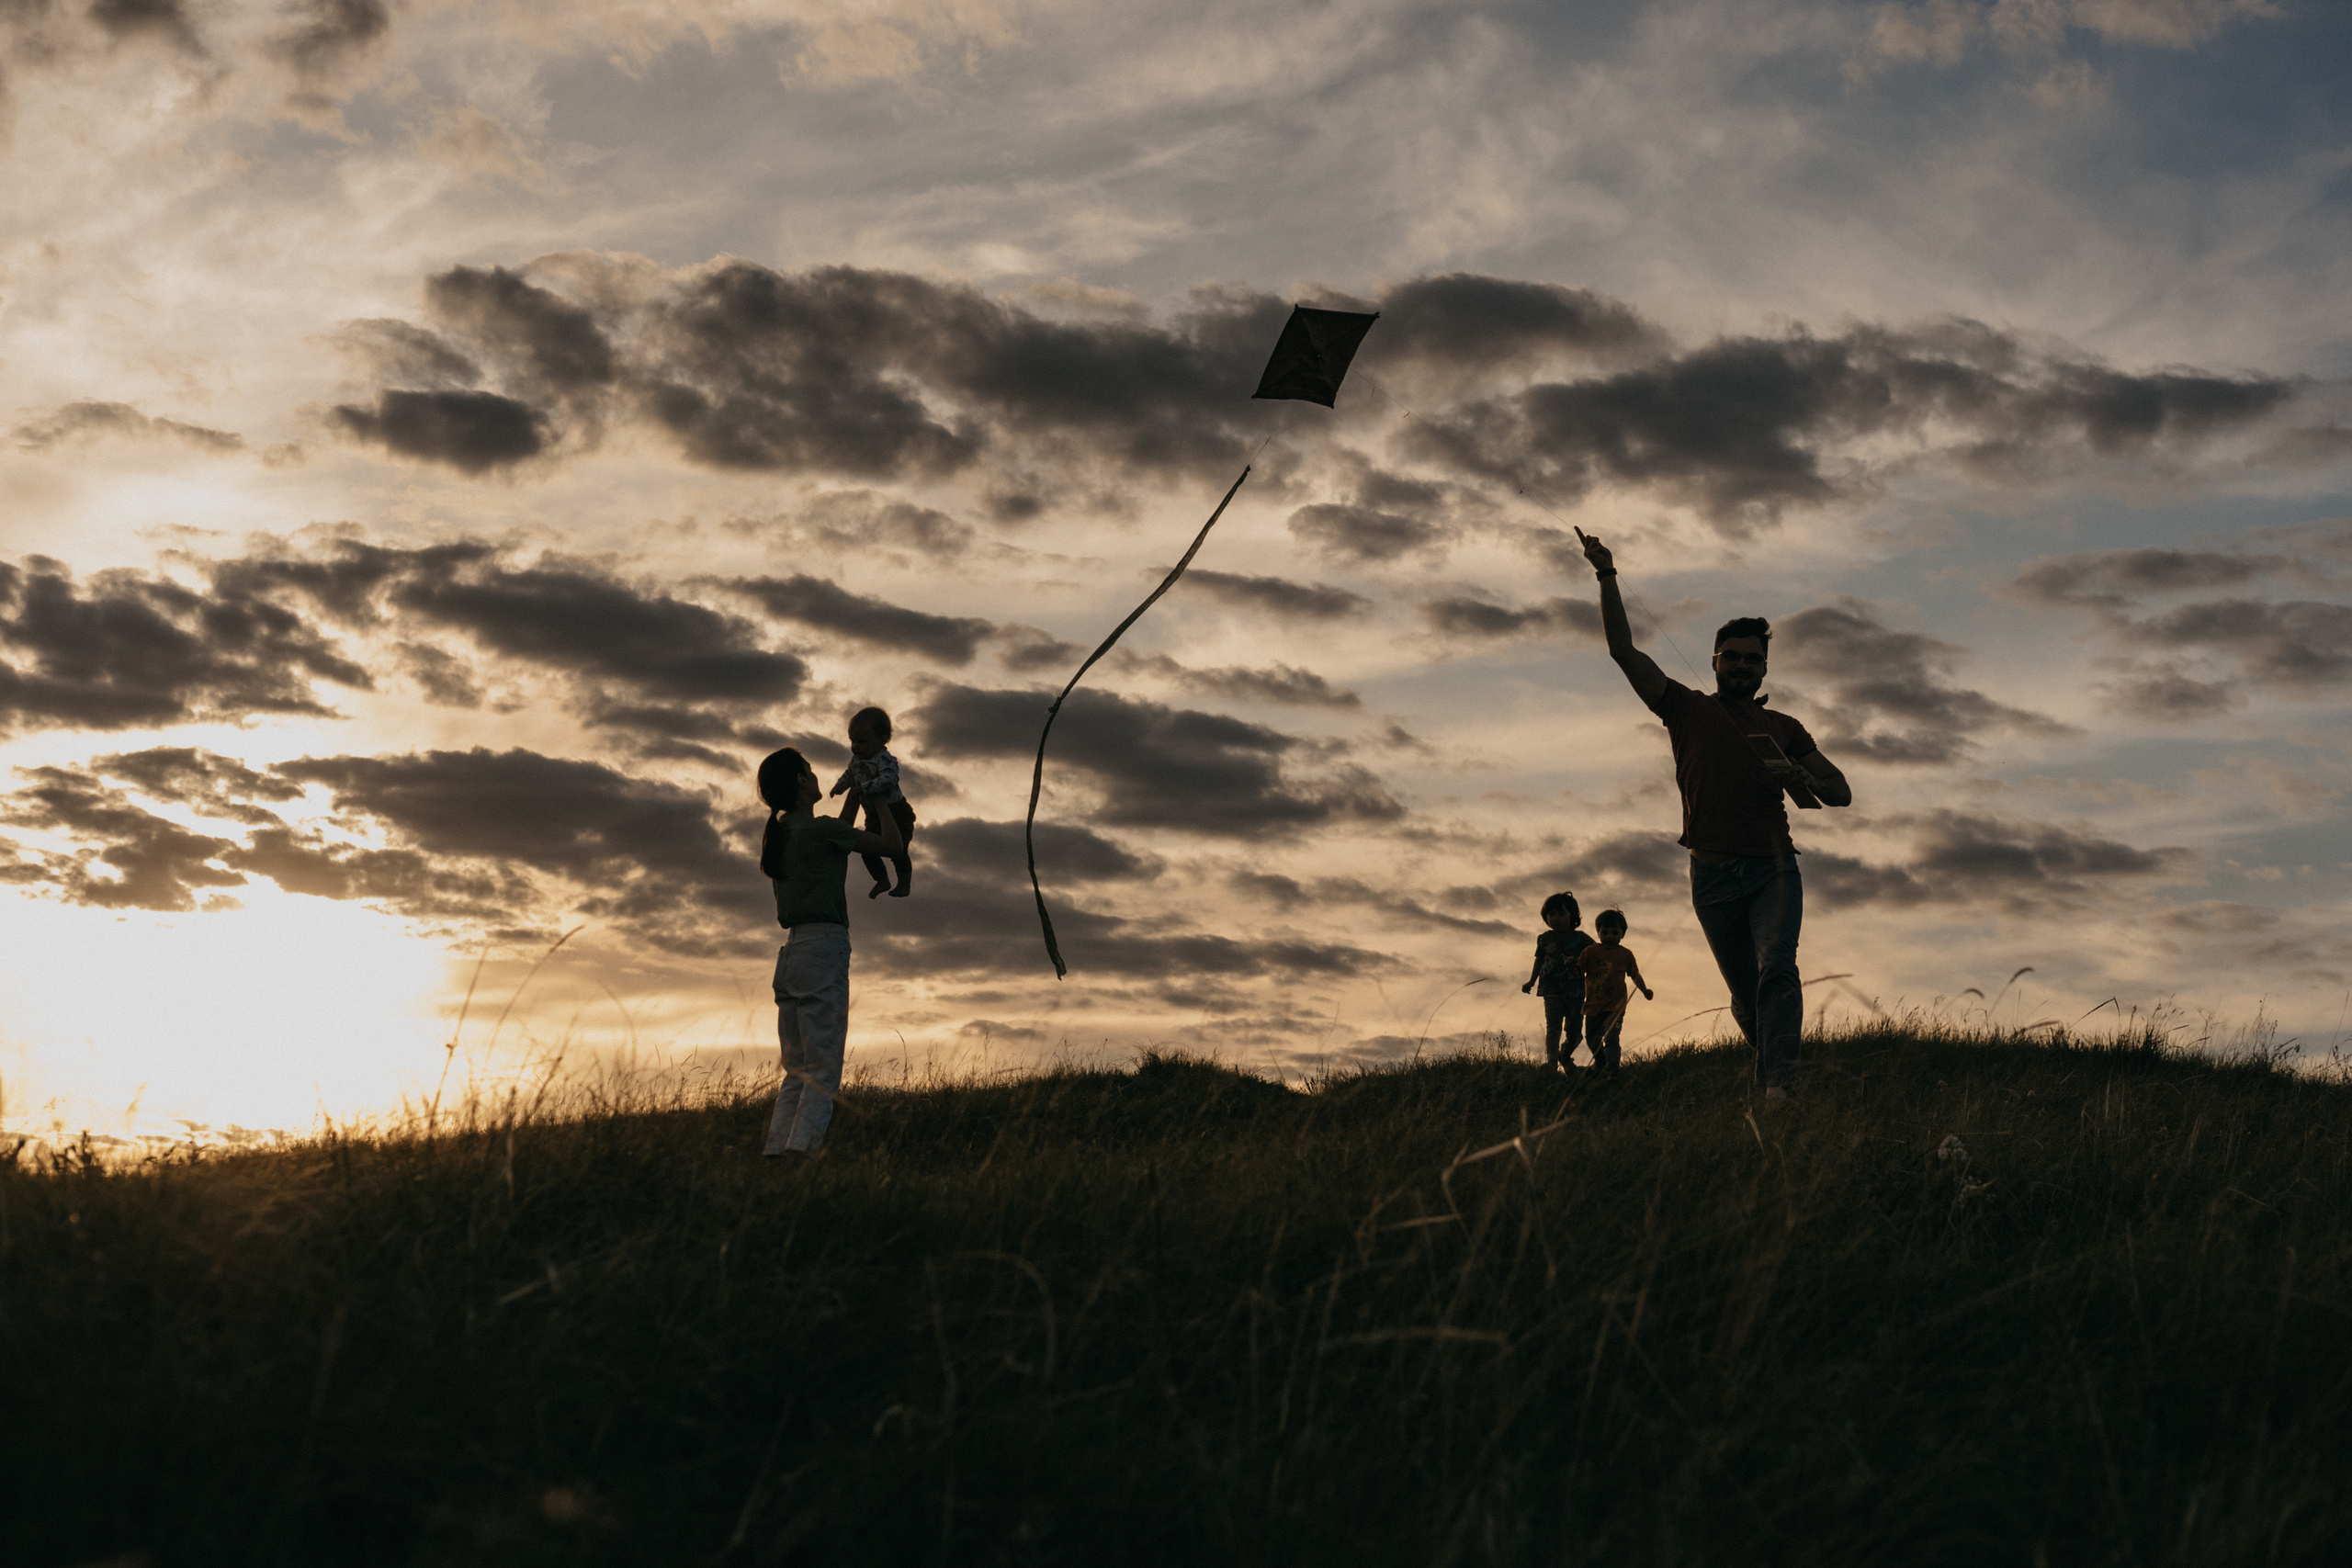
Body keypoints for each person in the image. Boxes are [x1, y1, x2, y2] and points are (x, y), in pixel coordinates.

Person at [1577, 528, 1851, 1102]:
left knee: (1778, 966)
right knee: (1746, 994)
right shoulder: (1684, 708)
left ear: (1765, 670)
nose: (1743, 665)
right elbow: (1623, 652)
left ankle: (1780, 1088)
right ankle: (1769, 1063)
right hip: (1711, 876)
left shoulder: (1786, 728)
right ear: (1716, 661)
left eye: (1754, 659)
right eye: (1733, 657)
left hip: (1773, 870)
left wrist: (1807, 779)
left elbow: (1840, 790)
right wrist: (1607, 575)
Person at [757, 745, 905, 1157]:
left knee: (798, 1071)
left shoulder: (787, 834)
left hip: (792, 955)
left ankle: (776, 1154)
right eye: (808, 769)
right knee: (822, 1070)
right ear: (802, 781)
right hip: (823, 948)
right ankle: (800, 1154)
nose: (815, 774)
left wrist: (855, 797)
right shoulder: (820, 831)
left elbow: (836, 839)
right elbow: (892, 846)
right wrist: (880, 796)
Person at [831, 705, 915, 898]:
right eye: (852, 741)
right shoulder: (856, 761)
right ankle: (881, 879)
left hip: (897, 812)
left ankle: (904, 883)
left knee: (898, 849)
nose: (855, 746)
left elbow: (889, 780)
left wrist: (865, 788)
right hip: (873, 816)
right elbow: (849, 775)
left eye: (861, 741)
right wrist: (840, 786)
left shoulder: (884, 760)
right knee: (869, 849)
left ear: (882, 739)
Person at [1521, 891, 1595, 1072]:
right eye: (1551, 914)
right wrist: (1531, 981)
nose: (1556, 918)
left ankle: (1564, 1055)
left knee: (1575, 1033)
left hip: (1576, 992)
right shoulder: (1544, 939)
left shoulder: (1580, 938)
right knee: (1553, 1028)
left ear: (1572, 916)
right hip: (1551, 991)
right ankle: (1552, 1064)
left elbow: (1595, 954)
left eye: (1562, 914)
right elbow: (1539, 960)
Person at [1575, 908, 1652, 1077]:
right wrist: (1570, 966)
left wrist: (1645, 990)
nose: (1609, 936)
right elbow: (1578, 971)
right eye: (1605, 932)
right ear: (1598, 933)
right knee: (1591, 1039)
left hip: (1615, 1007)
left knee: (1611, 1038)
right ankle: (1600, 1062)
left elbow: (1635, 975)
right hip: (1593, 1006)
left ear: (1622, 934)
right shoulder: (1590, 952)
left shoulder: (1625, 954)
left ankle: (1613, 1070)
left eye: (1615, 932)